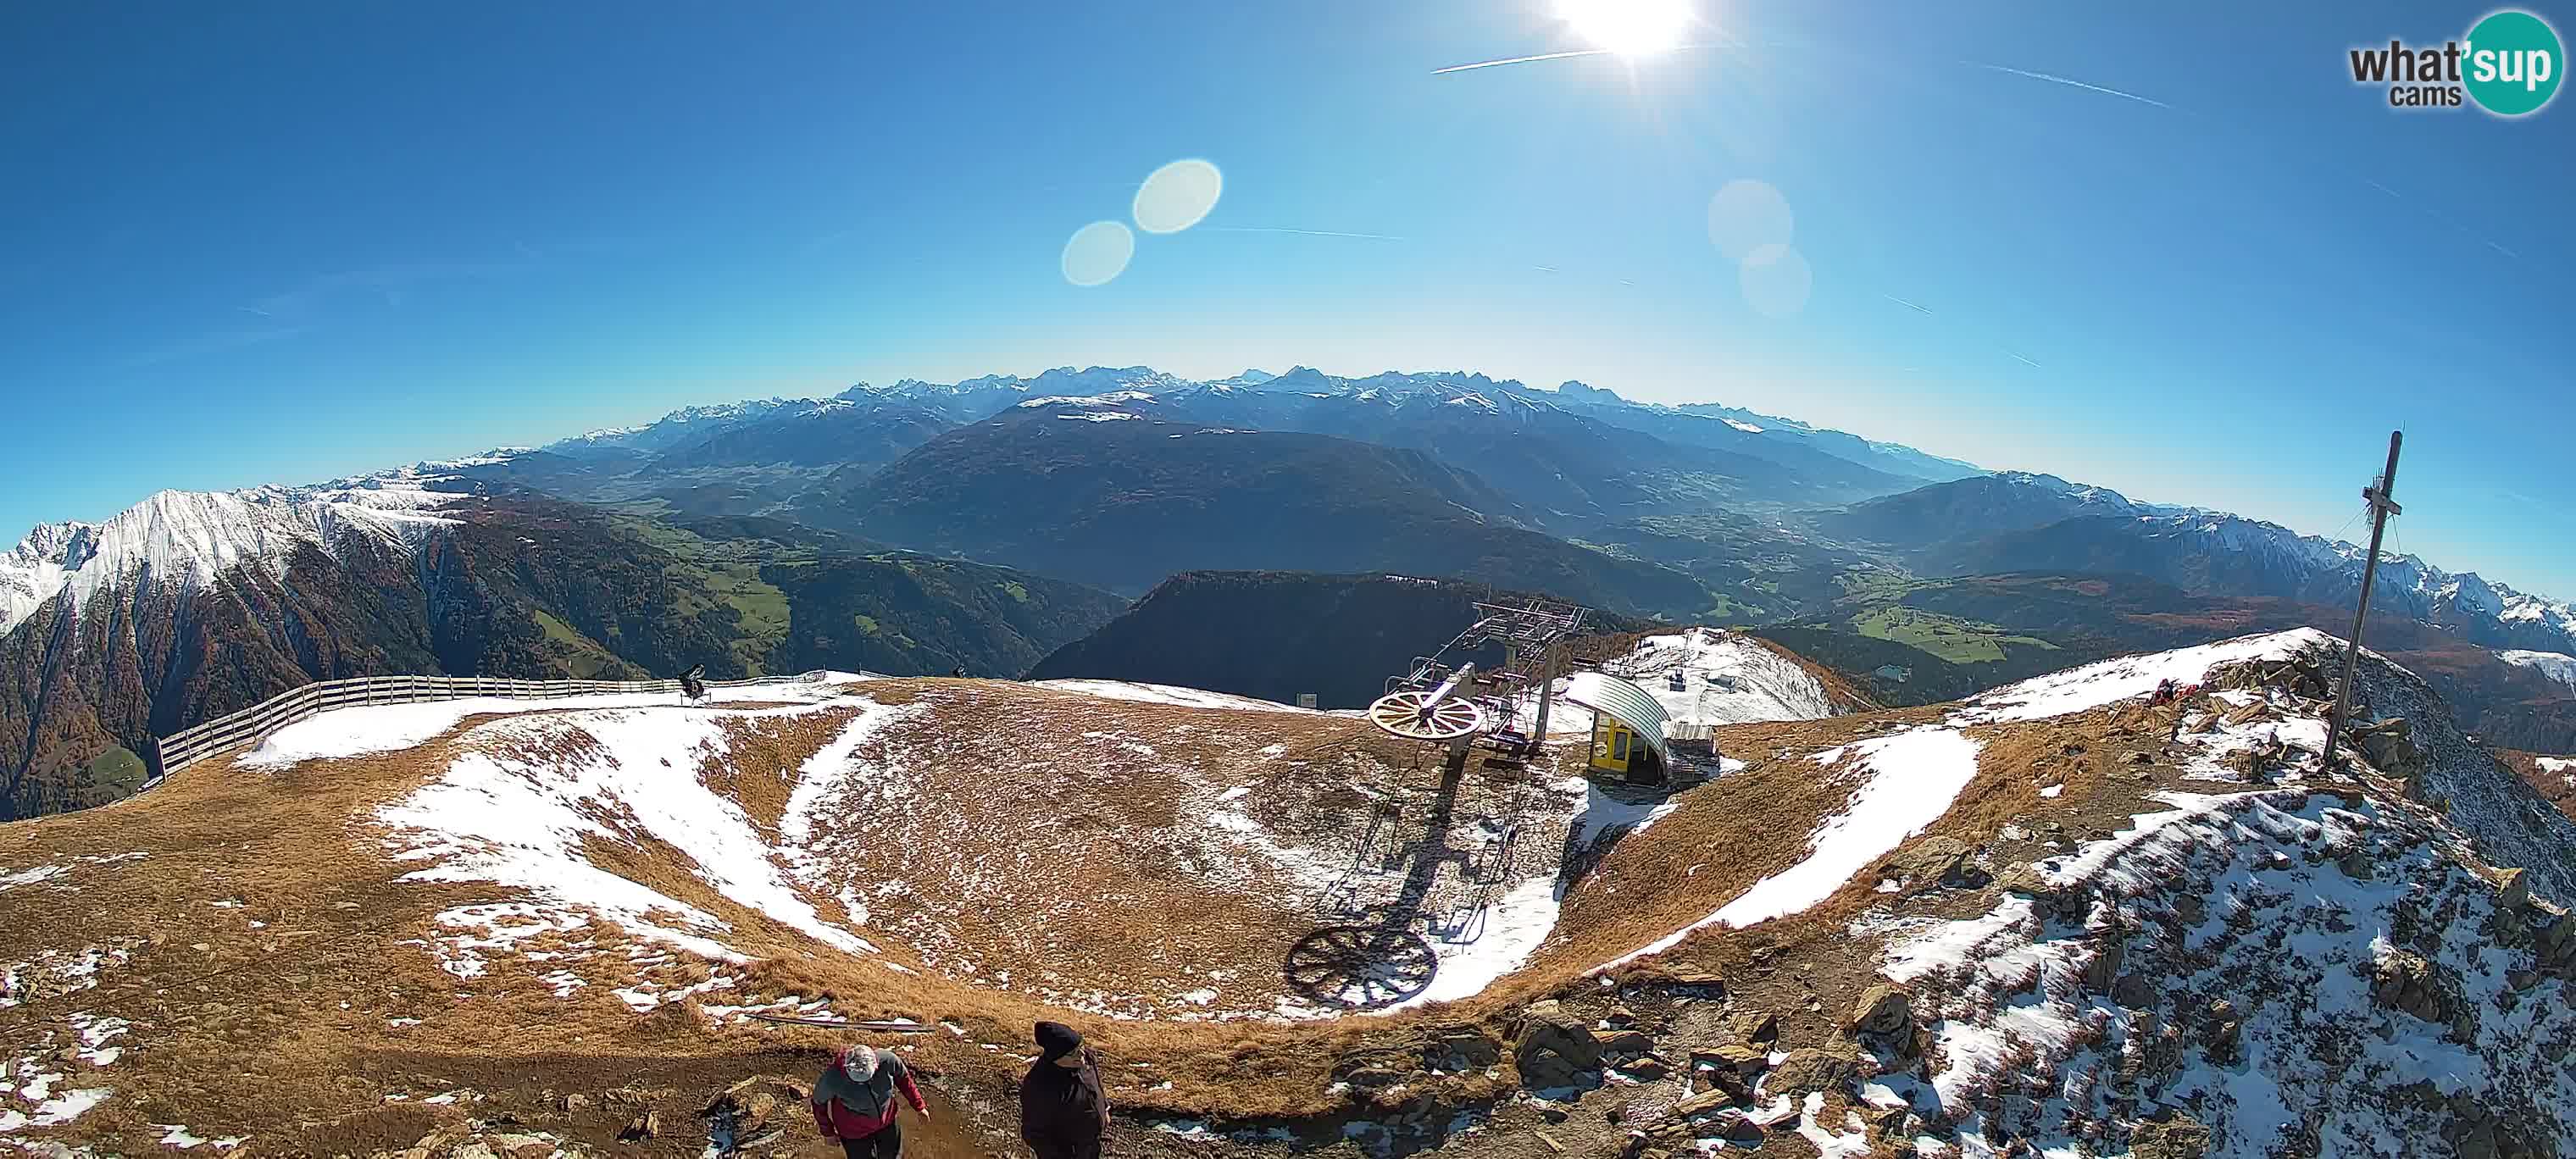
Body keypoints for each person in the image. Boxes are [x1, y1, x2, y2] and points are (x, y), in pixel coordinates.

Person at [812, 1043, 928, 1157]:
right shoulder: (833, 1078)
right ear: (847, 1069)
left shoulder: (888, 1061)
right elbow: (818, 1103)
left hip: (887, 1121)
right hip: (854, 1131)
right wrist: (828, 1133)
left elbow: (904, 1080)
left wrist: (919, 1106)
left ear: (876, 1066)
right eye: (857, 1081)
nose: (863, 1083)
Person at [1020, 1021, 1108, 1159]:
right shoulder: (1039, 1086)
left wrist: (1105, 1108)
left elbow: (1096, 1083)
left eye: (1081, 1047)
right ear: (1056, 1057)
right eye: (1073, 1053)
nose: (1081, 1054)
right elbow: (1035, 1133)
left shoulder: (1084, 1058)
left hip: (1090, 1143)